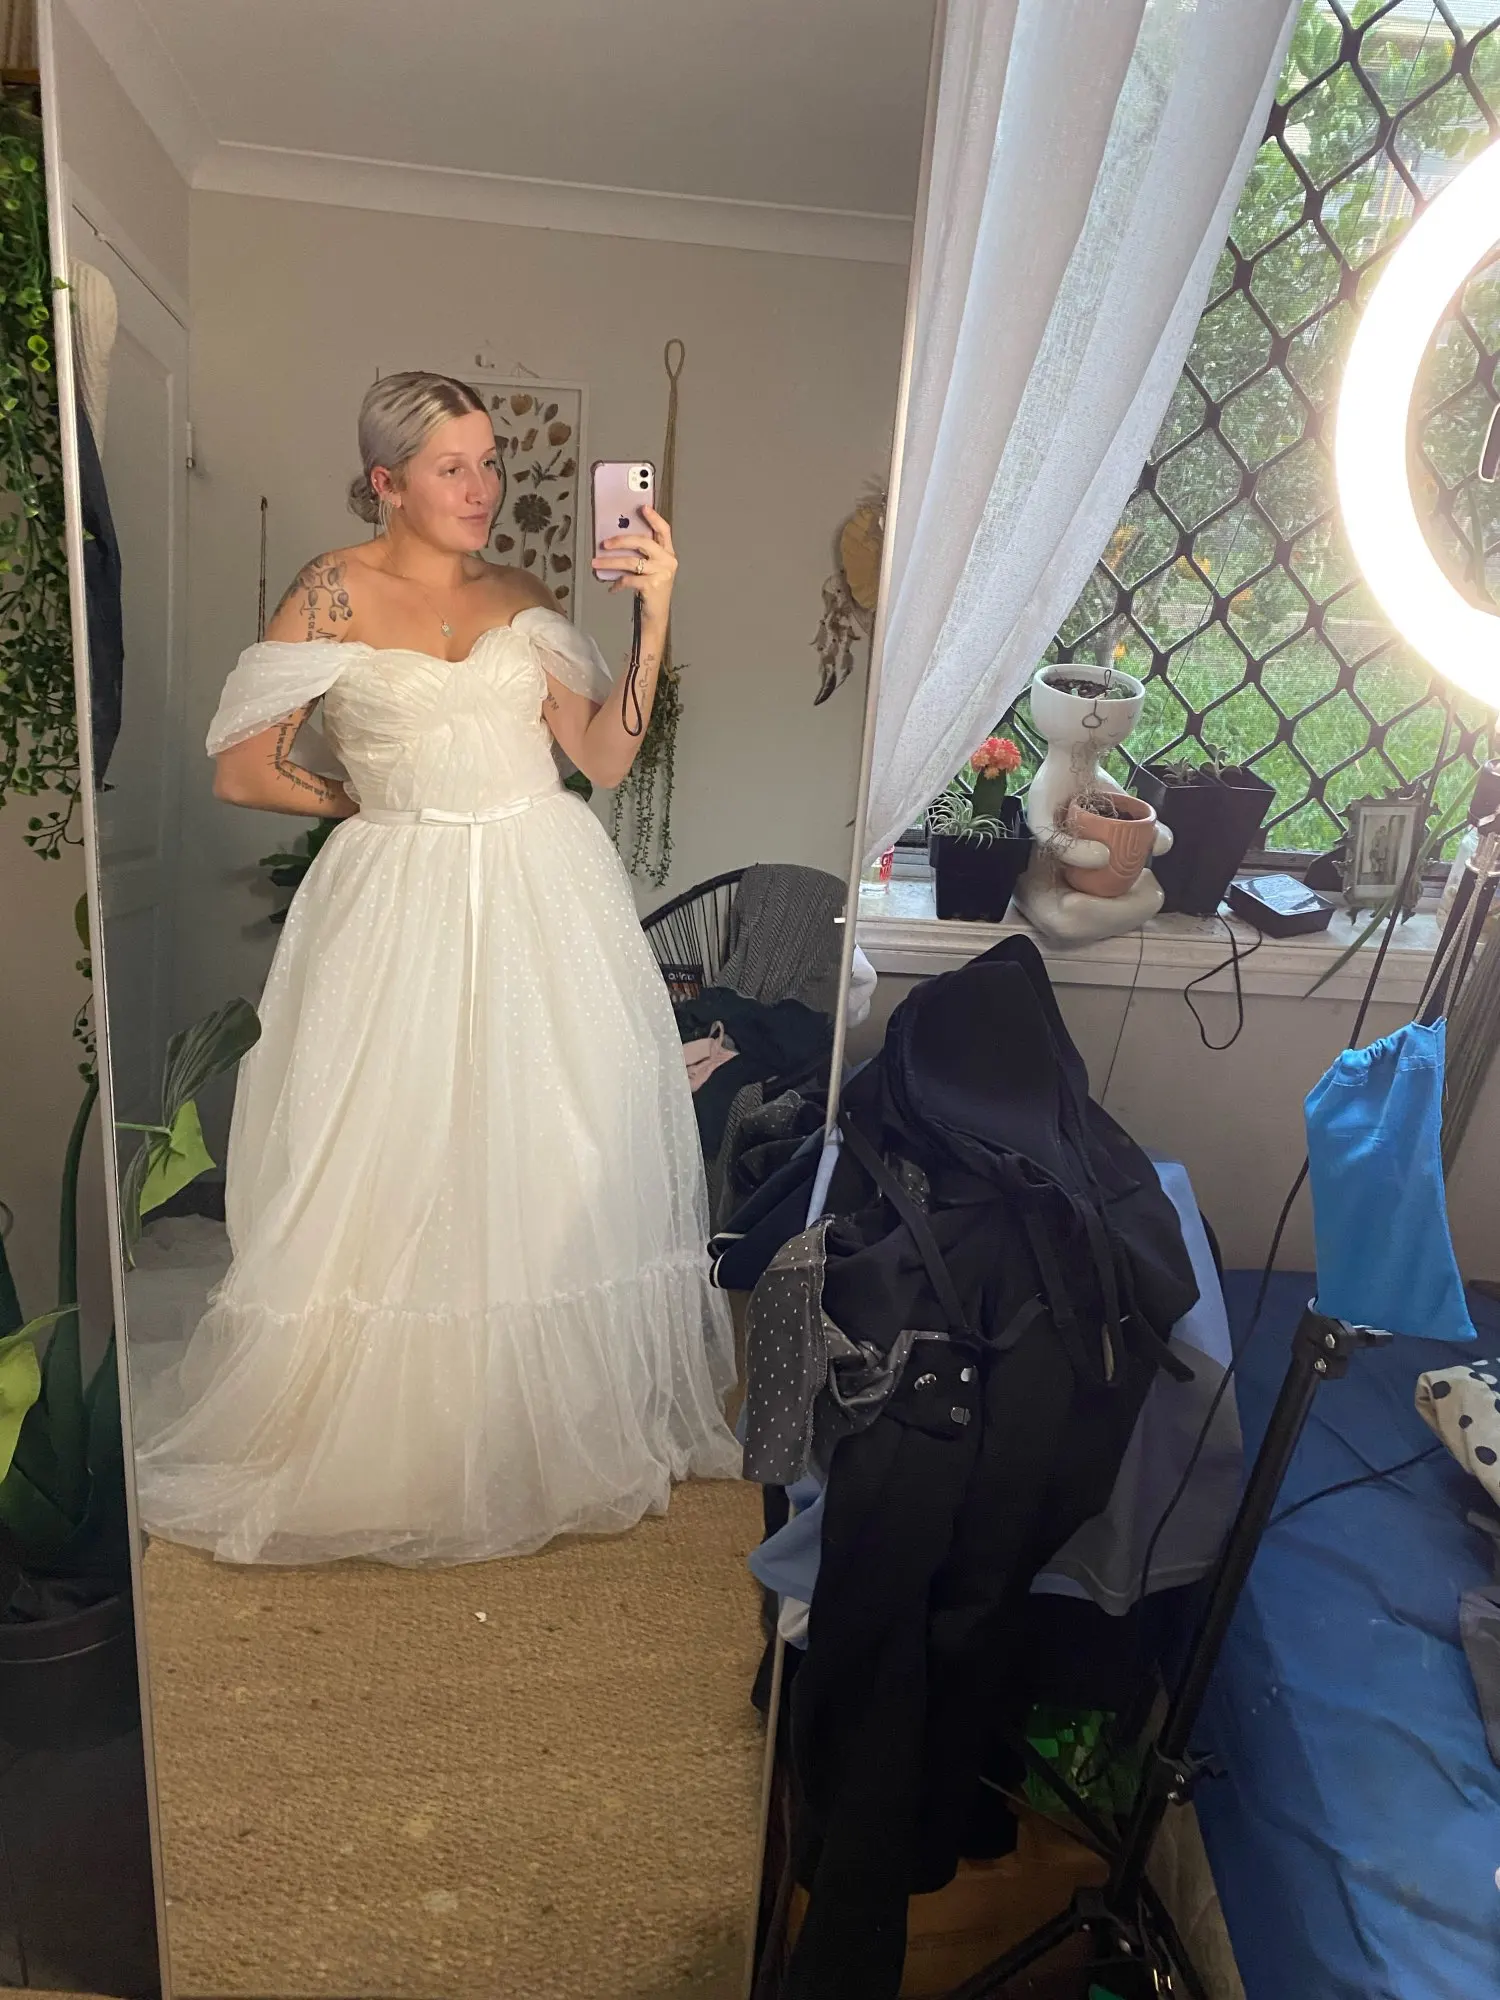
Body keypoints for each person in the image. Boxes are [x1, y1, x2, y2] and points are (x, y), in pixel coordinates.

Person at [131, 371, 740, 1566]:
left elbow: (605, 758)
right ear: (387, 480)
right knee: (387, 1153)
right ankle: (392, 1438)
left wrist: (654, 614)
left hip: (542, 898)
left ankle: (520, 1426)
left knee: (545, 1151)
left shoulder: (522, 596)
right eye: (453, 466)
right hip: (396, 905)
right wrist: (376, 801)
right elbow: (244, 767)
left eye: (490, 461)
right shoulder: (333, 588)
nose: (483, 486)